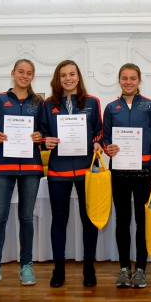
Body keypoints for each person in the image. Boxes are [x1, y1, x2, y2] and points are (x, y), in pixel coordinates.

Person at [0, 59, 44, 287]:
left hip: (31, 168)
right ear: (13, 73)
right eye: (21, 72)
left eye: (29, 73)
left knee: (26, 218)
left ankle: (26, 265)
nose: (24, 76)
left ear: (32, 77)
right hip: (2, 166)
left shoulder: (39, 102)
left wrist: (40, 137)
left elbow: (46, 133)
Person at [40, 60, 103, 288]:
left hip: (87, 171)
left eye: (72, 74)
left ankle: (89, 268)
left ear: (78, 76)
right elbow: (42, 135)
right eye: (63, 75)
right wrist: (46, 141)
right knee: (59, 220)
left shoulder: (93, 103)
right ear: (58, 79)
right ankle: (59, 269)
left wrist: (97, 144)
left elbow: (100, 132)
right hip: (58, 171)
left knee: (89, 220)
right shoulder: (47, 104)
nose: (68, 78)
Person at [103, 63, 151, 289]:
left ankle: (141, 269)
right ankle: (124, 268)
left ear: (139, 81)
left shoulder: (150, 106)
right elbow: (105, 137)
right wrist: (108, 147)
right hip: (119, 170)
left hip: (144, 172)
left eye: (133, 78)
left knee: (142, 220)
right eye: (124, 78)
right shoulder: (111, 108)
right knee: (122, 220)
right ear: (119, 80)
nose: (128, 82)